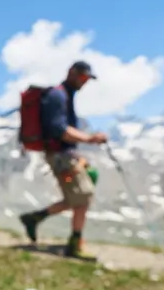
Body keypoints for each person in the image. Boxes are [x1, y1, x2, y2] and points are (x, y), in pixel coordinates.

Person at [18, 61, 107, 260]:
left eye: (87, 79)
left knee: (77, 196)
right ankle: (75, 244)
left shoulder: (65, 96)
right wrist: (90, 139)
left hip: (65, 154)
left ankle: (34, 218)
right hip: (60, 157)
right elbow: (59, 130)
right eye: (83, 77)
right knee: (83, 195)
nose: (84, 83)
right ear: (72, 73)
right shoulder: (58, 96)